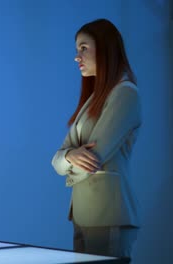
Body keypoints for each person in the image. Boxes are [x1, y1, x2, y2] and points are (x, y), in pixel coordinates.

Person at [51, 19, 141, 259]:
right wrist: (70, 155)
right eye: (76, 49)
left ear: (105, 48)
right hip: (83, 214)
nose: (76, 56)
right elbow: (56, 160)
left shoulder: (125, 93)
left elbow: (94, 159)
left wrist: (67, 160)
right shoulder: (94, 98)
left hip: (109, 214)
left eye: (83, 48)